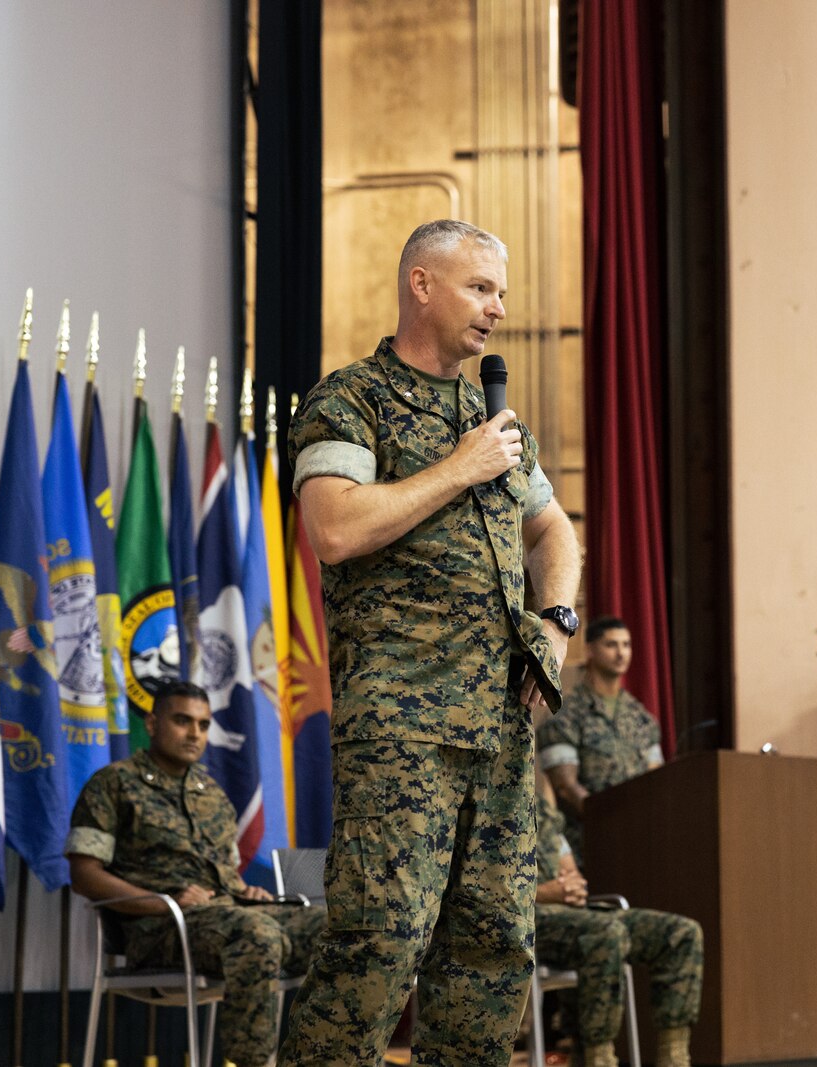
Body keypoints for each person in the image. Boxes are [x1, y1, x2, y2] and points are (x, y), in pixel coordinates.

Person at [279, 218, 582, 1066]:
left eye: (501, 293)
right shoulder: (351, 399)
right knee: (379, 942)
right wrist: (459, 467)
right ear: (421, 284)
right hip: (401, 727)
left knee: (492, 952)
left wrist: (556, 624)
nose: (498, 309)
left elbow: (553, 531)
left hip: (499, 727)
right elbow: (335, 529)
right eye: (480, 288)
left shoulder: (493, 419)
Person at [66, 680, 325, 1067]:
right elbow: (84, 876)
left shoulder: (211, 793)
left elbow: (223, 871)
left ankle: (323, 1056)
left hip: (224, 916)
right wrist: (163, 903)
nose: (194, 734)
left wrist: (244, 891)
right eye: (182, 721)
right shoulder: (113, 784)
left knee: (332, 929)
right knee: (256, 934)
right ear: (152, 723)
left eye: (203, 725)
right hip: (160, 929)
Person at [535, 782, 702, 1067]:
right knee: (606, 933)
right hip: (526, 919)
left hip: (571, 913)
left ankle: (674, 1057)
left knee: (681, 933)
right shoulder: (486, 798)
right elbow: (480, 889)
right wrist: (546, 893)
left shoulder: (540, 807)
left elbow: (570, 870)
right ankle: (598, 1058)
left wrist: (573, 889)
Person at [538, 615, 663, 859]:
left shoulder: (641, 718)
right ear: (590, 650)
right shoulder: (566, 715)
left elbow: (656, 781)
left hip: (641, 842)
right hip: (587, 846)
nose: (621, 653)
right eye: (611, 644)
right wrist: (613, 822)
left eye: (626, 645)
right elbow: (566, 788)